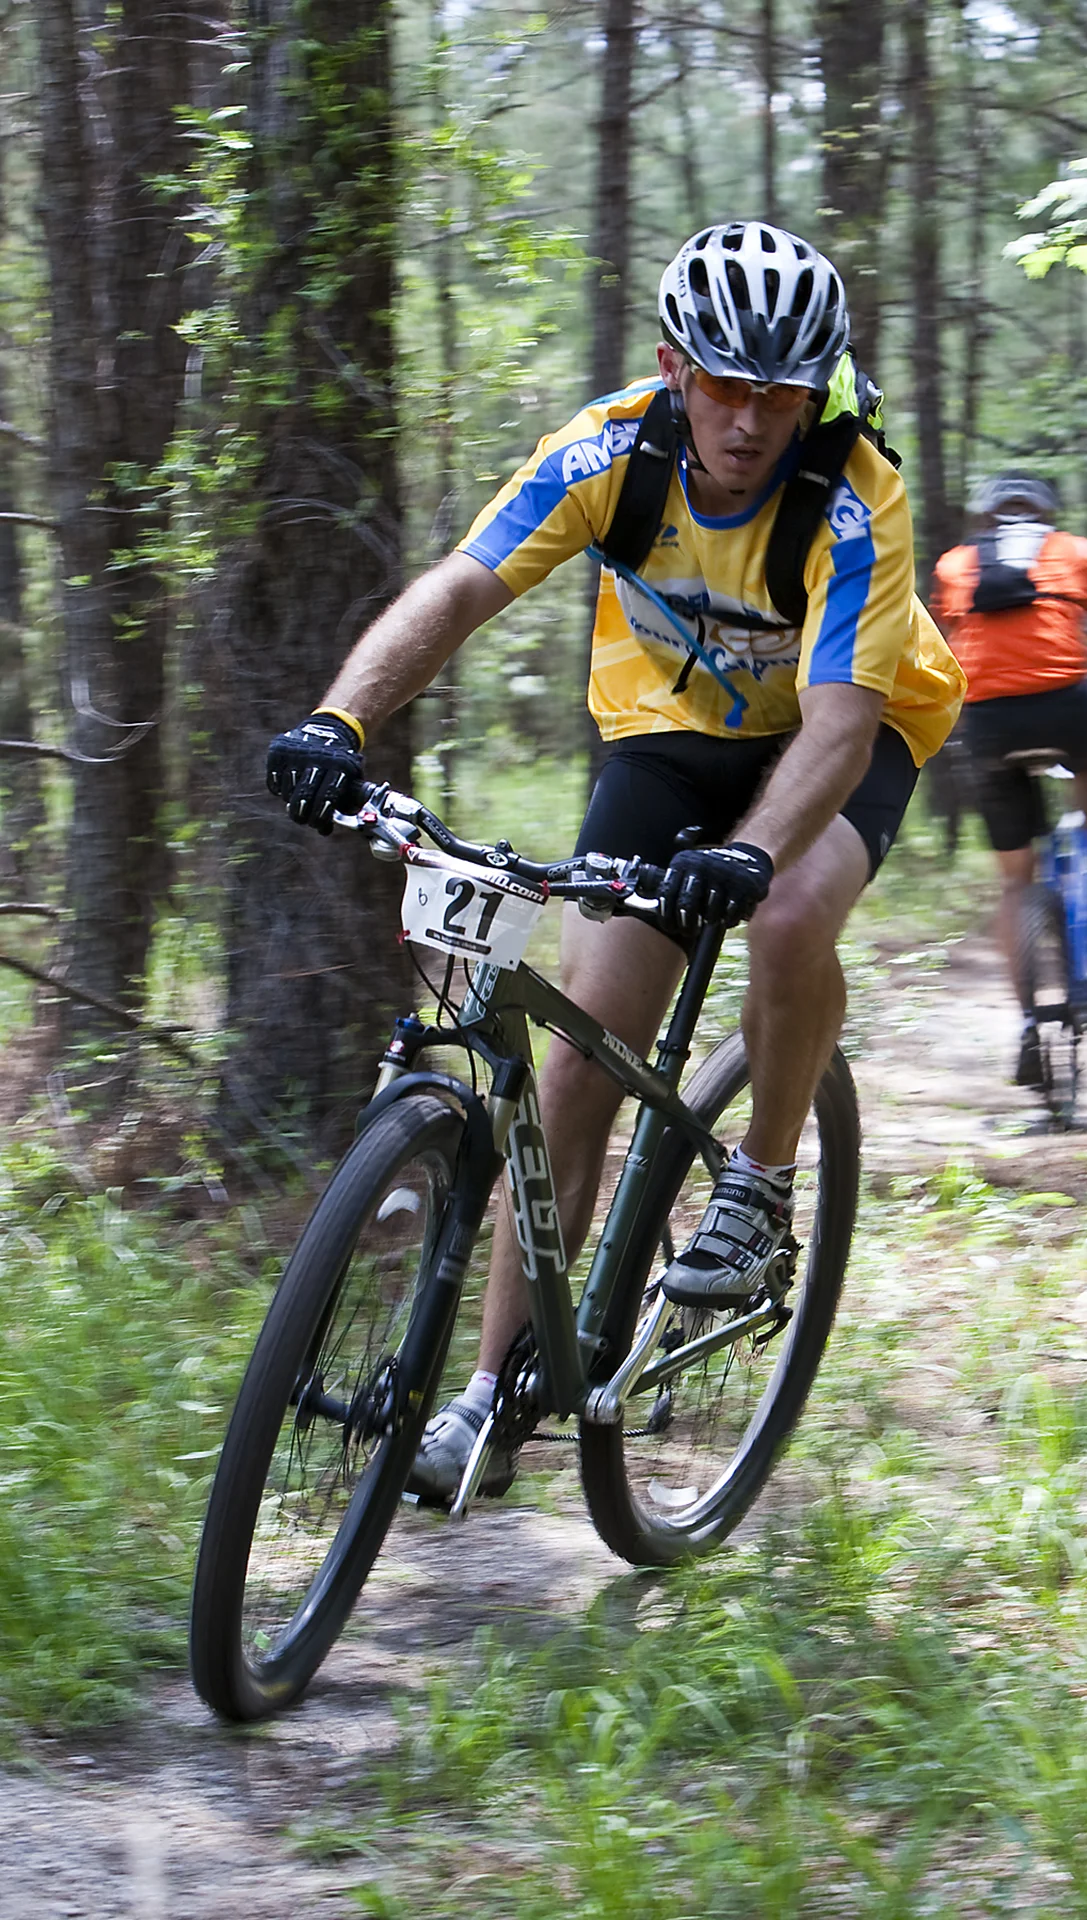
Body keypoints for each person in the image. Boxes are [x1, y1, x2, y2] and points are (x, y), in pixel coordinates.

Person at [266, 221, 965, 1500]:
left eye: (779, 396)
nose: (748, 421)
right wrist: (337, 720)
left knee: (788, 909)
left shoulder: (851, 493)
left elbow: (837, 727)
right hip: (671, 735)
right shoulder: (607, 452)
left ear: (813, 396)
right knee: (580, 1059)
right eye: (724, 385)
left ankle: (758, 1183)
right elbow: (461, 587)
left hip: (852, 727)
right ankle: (486, 1403)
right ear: (671, 368)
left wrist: (749, 854)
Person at [930, 471, 1087, 1088]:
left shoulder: (954, 565)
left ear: (987, 521)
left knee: (1016, 883)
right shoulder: (1078, 552)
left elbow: (940, 649)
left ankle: (1027, 1025)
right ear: (1046, 515)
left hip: (987, 721)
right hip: (1067, 706)